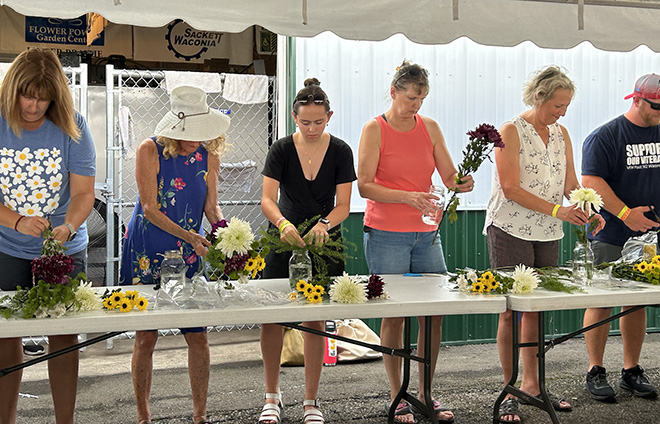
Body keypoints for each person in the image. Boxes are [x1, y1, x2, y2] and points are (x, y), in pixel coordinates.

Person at [484, 65, 604, 423]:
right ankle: (509, 390)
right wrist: (559, 210)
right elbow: (510, 188)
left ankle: (534, 386)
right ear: (538, 97)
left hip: (548, 230)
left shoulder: (562, 133)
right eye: (557, 105)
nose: (562, 113)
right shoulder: (509, 131)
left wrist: (587, 206)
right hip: (509, 228)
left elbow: (570, 182)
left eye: (565, 106)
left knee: (538, 308)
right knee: (511, 309)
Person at [357, 60, 474, 424]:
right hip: (386, 233)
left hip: (427, 233)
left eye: (421, 100)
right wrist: (408, 196)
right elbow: (364, 185)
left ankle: (425, 391)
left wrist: (462, 182)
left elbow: (449, 176)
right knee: (394, 314)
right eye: (410, 99)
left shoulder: (431, 128)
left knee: (433, 314)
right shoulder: (374, 129)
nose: (415, 106)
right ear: (393, 93)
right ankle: (397, 394)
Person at [119, 85, 229, 424]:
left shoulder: (209, 155)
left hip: (191, 250)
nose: (197, 140)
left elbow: (211, 207)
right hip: (146, 250)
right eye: (191, 133)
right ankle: (143, 416)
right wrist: (191, 236)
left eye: (202, 133)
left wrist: (228, 236)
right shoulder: (149, 150)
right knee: (146, 336)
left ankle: (199, 416)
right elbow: (150, 208)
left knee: (197, 335)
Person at [0, 48, 96, 424]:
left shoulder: (73, 124)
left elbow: (84, 193)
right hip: (7, 246)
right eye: (27, 95)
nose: (34, 105)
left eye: (43, 97)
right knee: (6, 338)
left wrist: (67, 226)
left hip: (63, 249)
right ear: (12, 91)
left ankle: (65, 421)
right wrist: (16, 220)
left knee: (63, 337)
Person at [259, 78, 356, 424]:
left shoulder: (341, 151)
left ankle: (311, 400)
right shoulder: (282, 149)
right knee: (273, 318)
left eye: (319, 121)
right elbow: (267, 199)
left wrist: (325, 224)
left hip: (324, 238)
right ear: (293, 117)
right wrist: (283, 224)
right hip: (282, 237)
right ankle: (272, 396)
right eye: (305, 122)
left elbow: (344, 204)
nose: (312, 128)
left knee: (314, 320)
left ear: (330, 116)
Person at [581, 73, 660, 403]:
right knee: (601, 299)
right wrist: (627, 214)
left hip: (650, 236)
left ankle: (631, 370)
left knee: (636, 301)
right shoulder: (606, 136)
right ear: (637, 99)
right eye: (657, 106)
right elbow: (591, 180)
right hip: (611, 231)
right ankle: (595, 370)